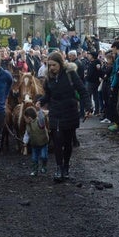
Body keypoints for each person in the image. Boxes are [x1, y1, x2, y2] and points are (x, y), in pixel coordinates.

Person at [36, 52, 92, 182]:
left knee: (67, 143)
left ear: (60, 64)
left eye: (54, 65)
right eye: (49, 65)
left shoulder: (70, 74)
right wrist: (41, 101)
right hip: (55, 112)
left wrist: (89, 106)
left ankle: (66, 166)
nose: (51, 68)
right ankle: (58, 167)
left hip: (70, 111)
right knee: (57, 141)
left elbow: (82, 90)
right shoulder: (48, 78)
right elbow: (48, 95)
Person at [23, 106, 49, 176]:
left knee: (44, 156)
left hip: (43, 143)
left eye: (25, 118)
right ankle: (35, 170)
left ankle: (44, 166)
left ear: (29, 118)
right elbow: (26, 134)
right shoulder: (28, 125)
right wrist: (25, 143)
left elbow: (42, 118)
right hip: (34, 144)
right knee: (34, 159)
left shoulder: (39, 122)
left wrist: (39, 109)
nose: (24, 119)